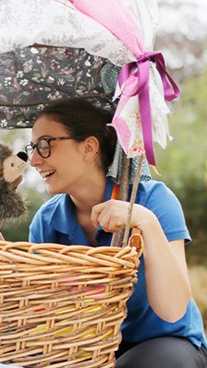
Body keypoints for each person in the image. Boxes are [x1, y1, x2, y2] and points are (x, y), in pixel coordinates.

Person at [27, 99, 207, 368]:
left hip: (167, 345)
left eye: (45, 145)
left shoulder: (153, 201)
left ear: (88, 147)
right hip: (90, 350)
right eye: (32, 148)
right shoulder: (46, 221)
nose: (33, 160)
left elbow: (172, 311)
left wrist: (146, 222)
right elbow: (47, 313)